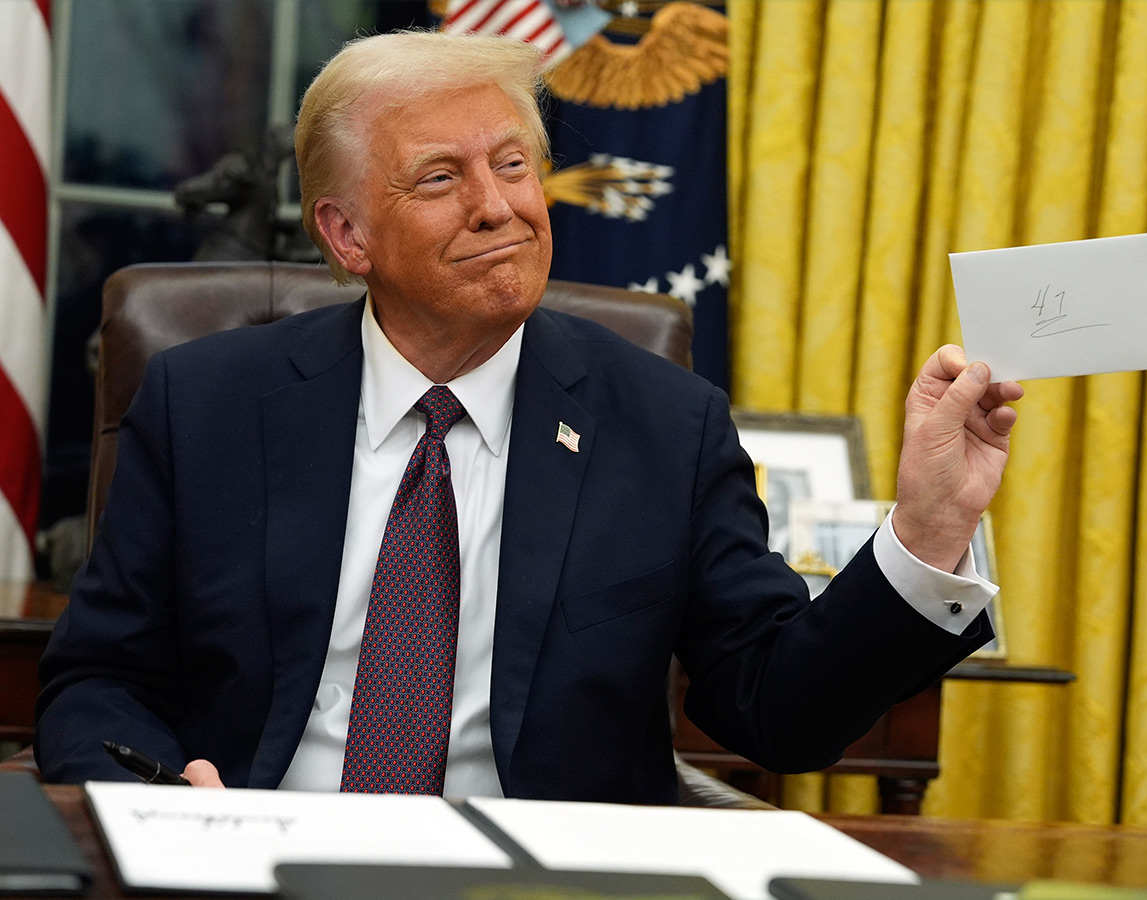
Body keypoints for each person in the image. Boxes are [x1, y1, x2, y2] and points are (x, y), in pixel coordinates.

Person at [35, 31, 1022, 803]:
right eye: (440, 177)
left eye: (513, 165)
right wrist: (162, 801)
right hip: (258, 867)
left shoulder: (664, 426)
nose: (499, 206)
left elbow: (779, 712)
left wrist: (928, 531)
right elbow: (96, 684)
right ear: (347, 234)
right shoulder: (208, 403)